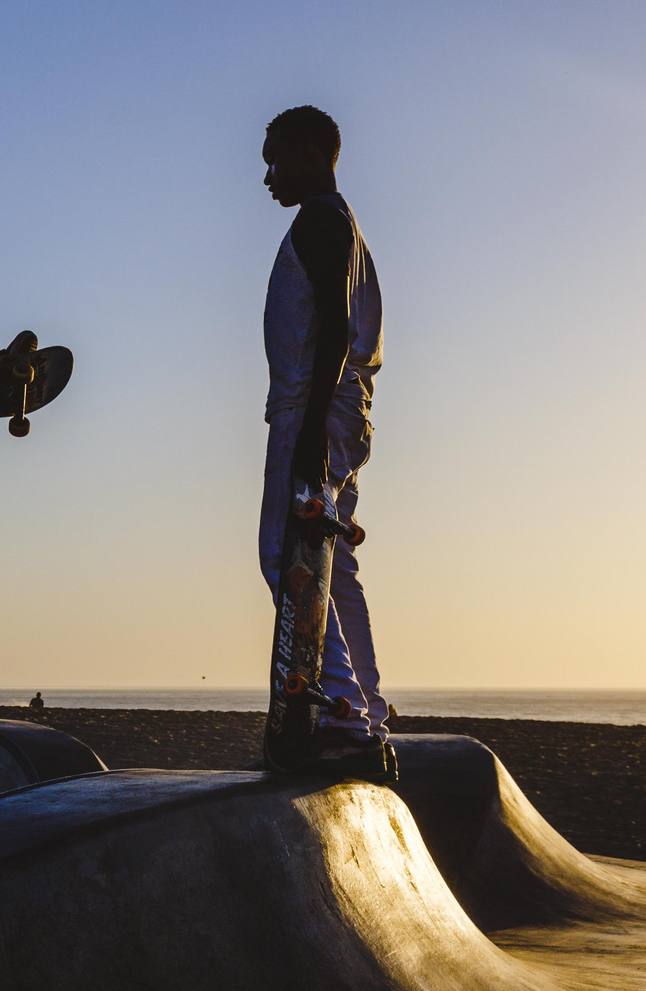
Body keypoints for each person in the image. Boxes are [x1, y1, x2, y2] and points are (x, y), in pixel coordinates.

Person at [258, 105, 391, 782]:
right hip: (342, 410)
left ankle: (344, 717)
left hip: (316, 407)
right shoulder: (342, 225)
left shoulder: (320, 220)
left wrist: (308, 431)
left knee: (288, 556)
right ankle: (365, 708)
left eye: (275, 158)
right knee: (335, 568)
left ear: (311, 154)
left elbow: (335, 330)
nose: (267, 175)